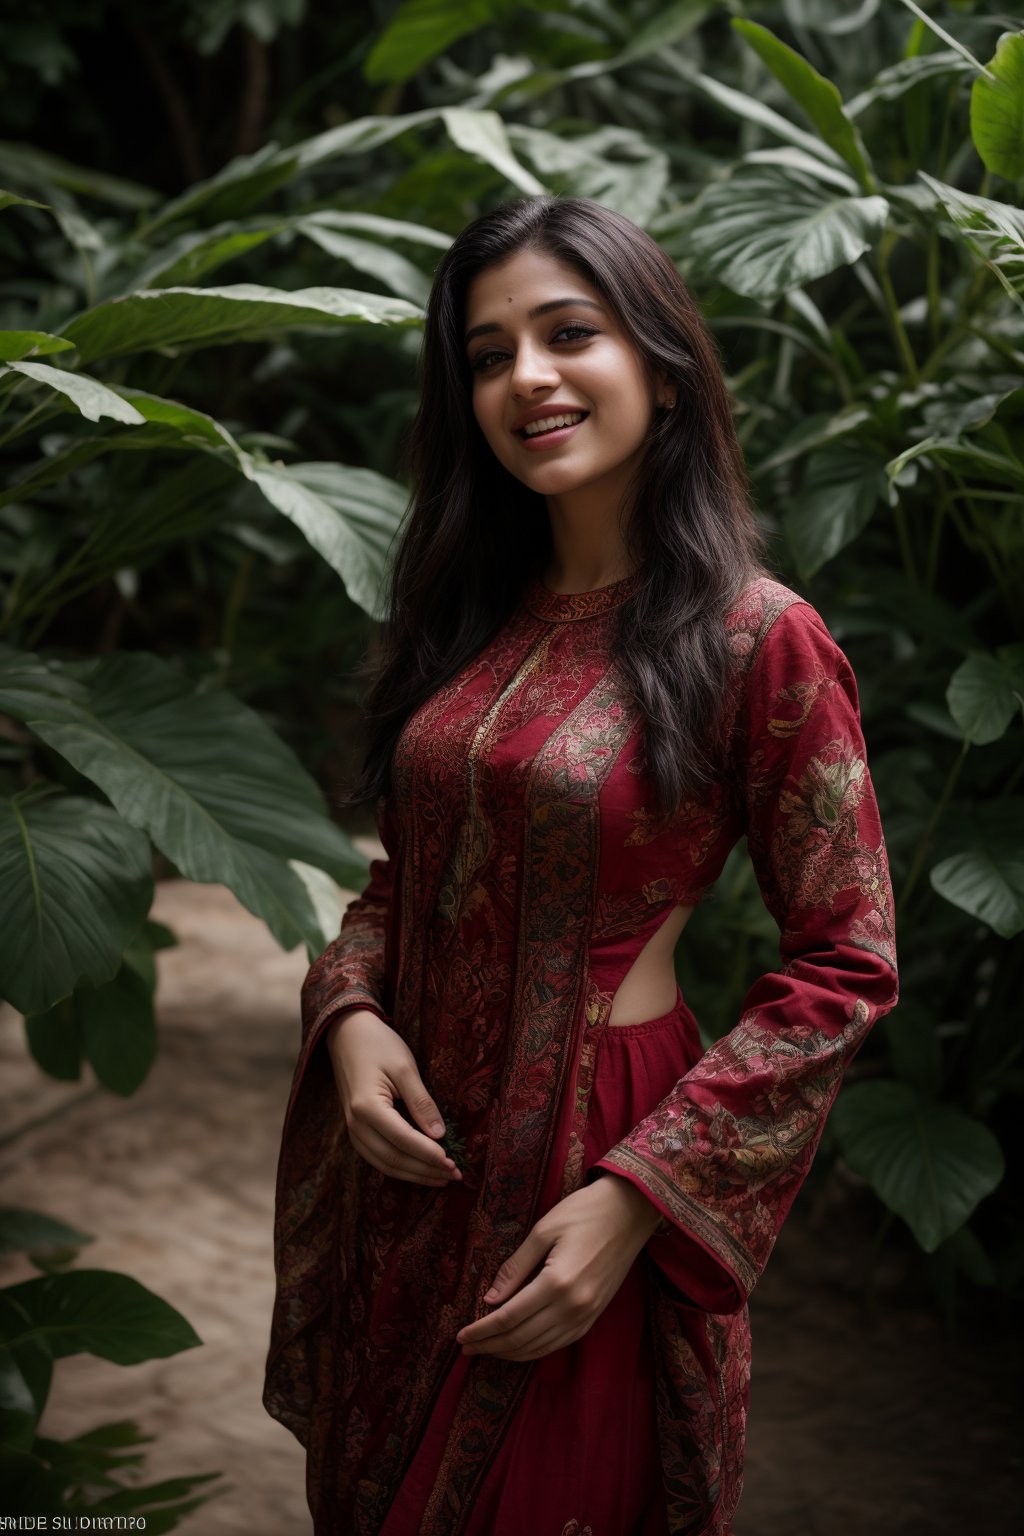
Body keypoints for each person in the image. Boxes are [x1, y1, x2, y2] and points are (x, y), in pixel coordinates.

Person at [263, 195, 898, 1536]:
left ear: (663, 371)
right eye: (489, 355)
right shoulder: (469, 612)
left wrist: (642, 1202)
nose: (527, 378)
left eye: (569, 334)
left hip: (594, 1167)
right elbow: (402, 883)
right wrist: (353, 1019)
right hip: (412, 1176)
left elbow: (846, 960)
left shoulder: (758, 641)